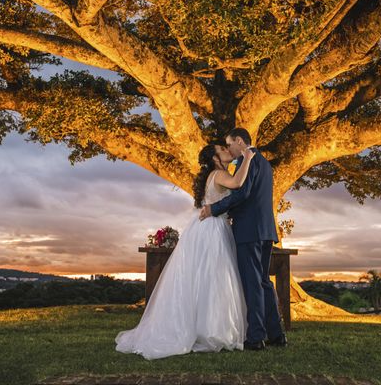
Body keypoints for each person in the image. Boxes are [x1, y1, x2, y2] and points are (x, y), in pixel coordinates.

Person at [114, 142, 255, 360]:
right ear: (215, 158)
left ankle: (207, 325)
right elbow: (237, 183)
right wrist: (248, 158)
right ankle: (211, 330)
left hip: (207, 227)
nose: (228, 151)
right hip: (213, 230)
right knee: (214, 276)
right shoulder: (218, 174)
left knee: (205, 277)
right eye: (223, 150)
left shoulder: (215, 175)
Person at [199, 127, 287, 351]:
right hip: (266, 230)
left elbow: (242, 193)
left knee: (253, 283)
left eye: (229, 144)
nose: (228, 148)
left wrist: (214, 209)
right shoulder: (266, 163)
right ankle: (277, 334)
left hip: (249, 230)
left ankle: (256, 337)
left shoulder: (241, 163)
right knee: (264, 281)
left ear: (239, 141)